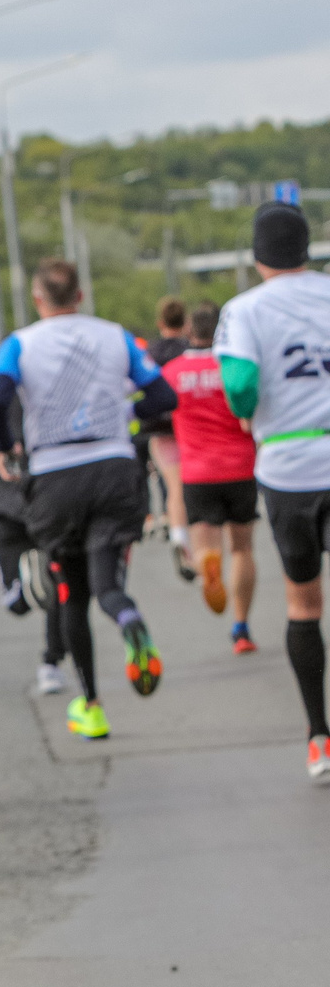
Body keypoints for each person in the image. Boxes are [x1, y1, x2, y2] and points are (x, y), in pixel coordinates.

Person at [0, 258, 176, 741]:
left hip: (54, 475)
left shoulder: (19, 344)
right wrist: (125, 417)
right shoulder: (117, 337)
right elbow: (164, 397)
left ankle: (91, 706)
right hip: (113, 467)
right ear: (81, 295)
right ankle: (128, 616)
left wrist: (9, 446)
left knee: (70, 594)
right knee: (108, 585)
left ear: (37, 299)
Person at [214, 203, 330, 780]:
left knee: (304, 604)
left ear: (258, 257)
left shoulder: (244, 310)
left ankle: (318, 738)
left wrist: (247, 413)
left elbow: (239, 384)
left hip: (289, 469)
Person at [0, 362, 68, 697]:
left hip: (0, 507)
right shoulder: (35, 402)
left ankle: (18, 591)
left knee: (13, 593)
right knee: (57, 584)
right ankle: (51, 663)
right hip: (41, 501)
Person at [162, 300, 260, 653]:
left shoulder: (172, 372)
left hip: (197, 472)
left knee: (207, 545)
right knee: (243, 548)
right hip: (240, 466)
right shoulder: (233, 367)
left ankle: (207, 563)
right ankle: (241, 628)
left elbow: (153, 409)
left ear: (189, 331)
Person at [144, 294, 194, 577]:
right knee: (194, 485)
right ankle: (200, 541)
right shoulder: (190, 350)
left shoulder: (150, 353)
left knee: (174, 487)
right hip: (191, 426)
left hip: (162, 430)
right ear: (185, 322)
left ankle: (179, 539)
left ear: (160, 322)